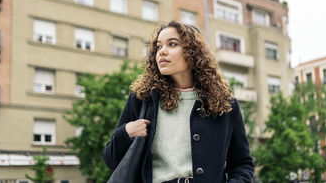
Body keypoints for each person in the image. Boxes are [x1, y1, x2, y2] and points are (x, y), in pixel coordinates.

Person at [102, 20, 254, 183]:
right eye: (158, 47)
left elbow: (242, 164)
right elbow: (111, 160)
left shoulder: (225, 105)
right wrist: (126, 132)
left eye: (172, 44)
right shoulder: (142, 100)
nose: (162, 52)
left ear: (192, 52)